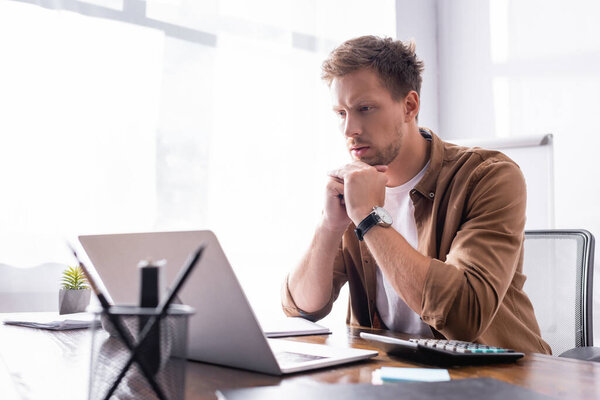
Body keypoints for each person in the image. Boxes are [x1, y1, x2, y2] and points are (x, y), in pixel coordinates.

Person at [281, 35, 551, 354]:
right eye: (341, 113)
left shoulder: (488, 176)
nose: (348, 129)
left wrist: (369, 218)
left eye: (364, 108)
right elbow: (302, 309)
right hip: (392, 375)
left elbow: (463, 316)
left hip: (498, 379)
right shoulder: (355, 188)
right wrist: (329, 227)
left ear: (409, 106)